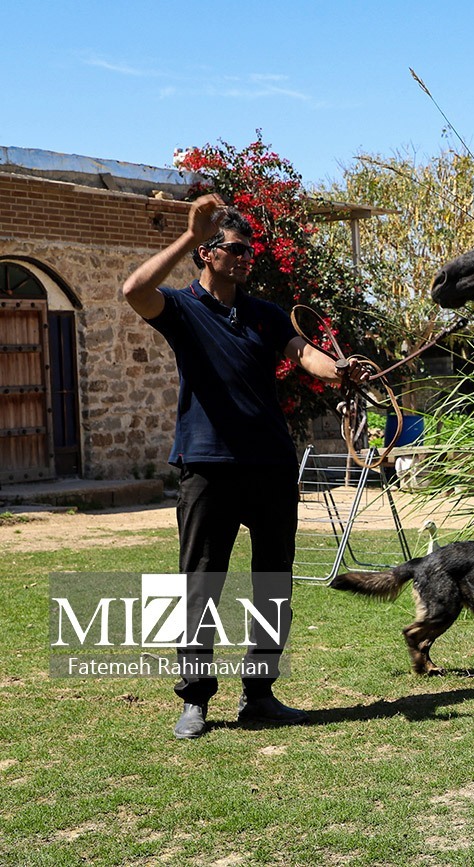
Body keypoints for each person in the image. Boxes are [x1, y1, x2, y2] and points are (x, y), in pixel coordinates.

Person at [122, 193, 361, 739]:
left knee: (273, 583)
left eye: (250, 250)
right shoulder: (181, 310)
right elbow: (133, 290)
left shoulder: (263, 314)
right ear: (208, 253)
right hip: (208, 466)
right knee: (201, 583)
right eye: (235, 248)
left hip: (270, 465)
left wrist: (340, 370)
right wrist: (186, 233)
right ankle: (195, 700)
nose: (246, 256)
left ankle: (260, 694)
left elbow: (303, 352)